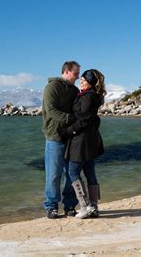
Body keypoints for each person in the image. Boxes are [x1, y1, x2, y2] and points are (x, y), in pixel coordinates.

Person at [61, 69, 106, 219]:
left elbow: (85, 119)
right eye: (80, 80)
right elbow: (91, 118)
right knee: (89, 173)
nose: (81, 83)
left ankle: (85, 206)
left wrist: (69, 131)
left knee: (73, 172)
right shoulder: (93, 96)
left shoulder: (87, 97)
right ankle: (94, 207)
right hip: (90, 140)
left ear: (91, 82)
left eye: (84, 81)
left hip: (82, 141)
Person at [42, 61, 81, 219]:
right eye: (75, 74)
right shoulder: (52, 87)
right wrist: (70, 118)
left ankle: (70, 205)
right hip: (55, 136)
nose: (77, 77)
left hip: (71, 135)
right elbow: (50, 110)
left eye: (78, 74)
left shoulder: (75, 90)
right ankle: (51, 207)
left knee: (72, 173)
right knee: (54, 174)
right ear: (66, 72)